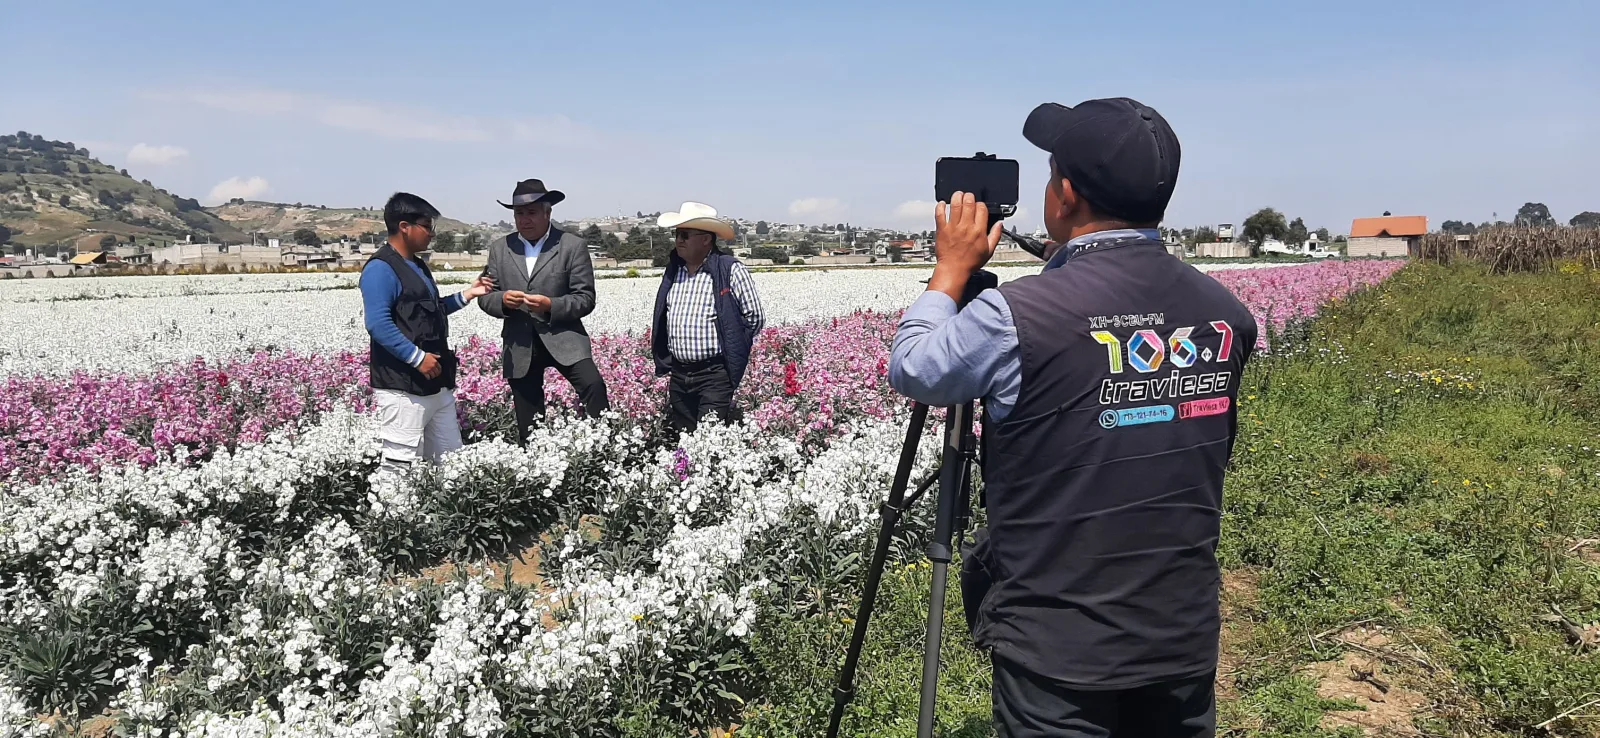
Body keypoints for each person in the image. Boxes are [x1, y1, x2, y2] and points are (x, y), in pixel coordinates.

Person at [888, 97, 1258, 738]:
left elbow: (917, 369)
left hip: (1061, 645)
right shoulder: (1226, 312)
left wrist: (950, 271)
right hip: (1181, 632)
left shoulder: (1016, 317)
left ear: (1066, 194)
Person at [361, 192, 495, 481]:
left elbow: (430, 312)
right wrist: (417, 358)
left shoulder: (417, 265)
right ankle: (390, 519)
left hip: (436, 382)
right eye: (427, 225)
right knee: (400, 464)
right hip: (402, 386)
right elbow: (377, 323)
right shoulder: (380, 269)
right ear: (404, 226)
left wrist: (468, 294)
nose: (432, 234)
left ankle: (443, 520)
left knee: (450, 458)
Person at [477, 179, 610, 442]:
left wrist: (551, 305)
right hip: (520, 344)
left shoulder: (572, 246)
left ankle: (606, 444)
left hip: (565, 337)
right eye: (519, 213)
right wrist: (504, 300)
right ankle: (536, 465)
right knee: (528, 416)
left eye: (532, 212)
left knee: (594, 386)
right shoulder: (499, 249)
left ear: (548, 213)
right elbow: (485, 296)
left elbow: (585, 298)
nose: (525, 219)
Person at [650, 202, 765, 434]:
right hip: (680, 374)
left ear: (706, 239)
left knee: (709, 438)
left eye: (684, 235)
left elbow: (754, 317)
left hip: (714, 374)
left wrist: (732, 344)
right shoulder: (674, 270)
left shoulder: (729, 269)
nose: (678, 240)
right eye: (676, 234)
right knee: (685, 436)